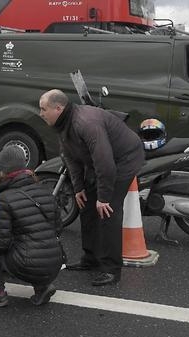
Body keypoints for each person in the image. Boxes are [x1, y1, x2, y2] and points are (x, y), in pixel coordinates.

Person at [38, 89, 144, 286]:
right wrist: (79, 188)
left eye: (43, 109)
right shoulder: (63, 123)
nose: (41, 113)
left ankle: (112, 269)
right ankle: (91, 258)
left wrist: (103, 197)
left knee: (107, 211)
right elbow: (70, 157)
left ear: (58, 108)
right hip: (99, 161)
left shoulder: (85, 123)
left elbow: (105, 163)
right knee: (86, 204)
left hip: (124, 158)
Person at [0, 145, 64, 306]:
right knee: (32, 243)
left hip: (27, 265)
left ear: (2, 171)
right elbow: (57, 228)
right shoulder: (44, 191)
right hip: (55, 263)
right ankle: (42, 287)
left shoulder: (4, 198)